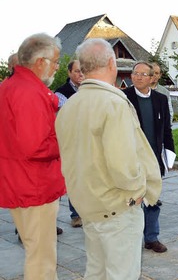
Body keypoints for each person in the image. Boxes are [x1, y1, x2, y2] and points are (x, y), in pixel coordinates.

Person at [56, 38, 162, 279]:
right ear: (112, 64)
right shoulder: (113, 103)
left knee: (96, 272)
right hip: (116, 207)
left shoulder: (70, 106)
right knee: (121, 274)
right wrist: (137, 192)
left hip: (89, 205)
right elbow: (122, 164)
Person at [0, 33, 67, 280]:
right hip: (34, 185)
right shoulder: (29, 91)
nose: (57, 67)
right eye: (56, 61)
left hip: (19, 181)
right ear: (41, 61)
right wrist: (67, 142)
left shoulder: (9, 86)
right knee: (42, 258)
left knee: (36, 250)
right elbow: (36, 146)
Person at [123, 61, 175, 253]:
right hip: (130, 159)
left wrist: (169, 154)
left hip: (153, 158)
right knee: (131, 200)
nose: (137, 77)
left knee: (153, 198)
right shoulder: (123, 98)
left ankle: (151, 238)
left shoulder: (160, 99)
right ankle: (131, 237)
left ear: (152, 78)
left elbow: (166, 129)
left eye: (143, 74)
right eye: (135, 73)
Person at [54, 60, 84, 228]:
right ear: (69, 73)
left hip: (88, 140)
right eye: (77, 71)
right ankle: (76, 214)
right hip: (70, 142)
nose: (81, 74)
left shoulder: (89, 89)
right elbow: (66, 117)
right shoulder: (61, 93)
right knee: (73, 177)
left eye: (83, 71)